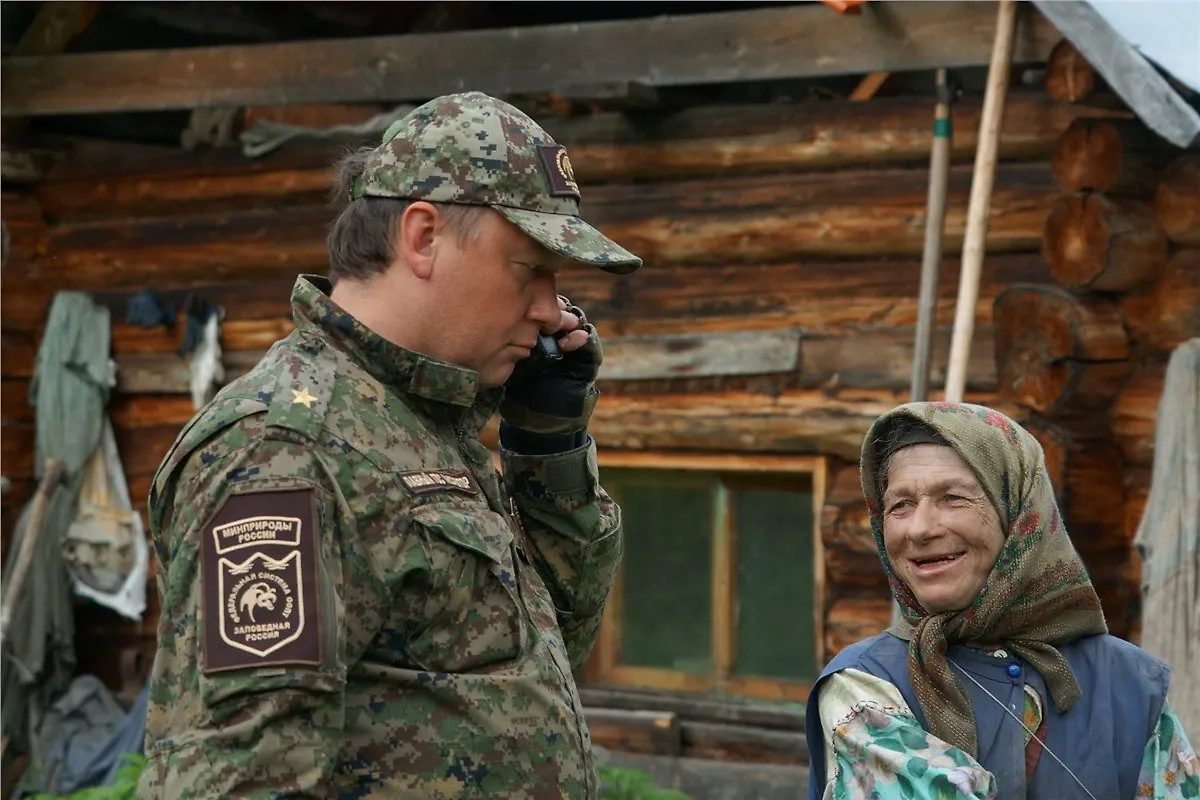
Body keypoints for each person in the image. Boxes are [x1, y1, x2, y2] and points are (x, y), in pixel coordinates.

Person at [135, 91, 643, 798]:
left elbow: (549, 650)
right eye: (530, 270)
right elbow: (240, 779)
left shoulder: (425, 422)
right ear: (423, 236)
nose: (552, 309)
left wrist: (548, 446)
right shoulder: (286, 447)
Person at [804, 401, 1199, 800]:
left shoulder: (1131, 683)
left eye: (953, 497)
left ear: (1020, 513)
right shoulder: (863, 687)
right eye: (900, 505)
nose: (920, 528)